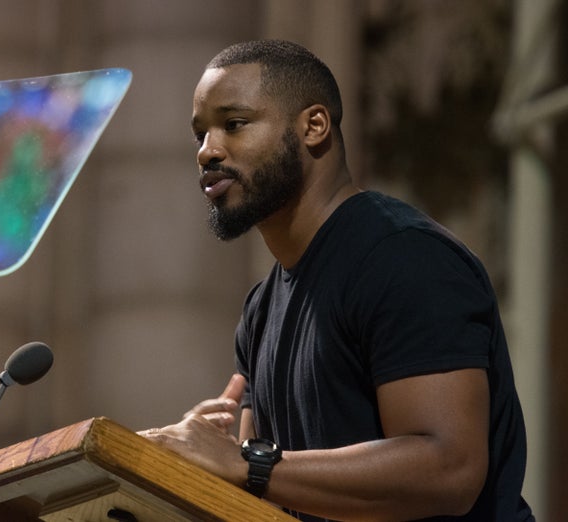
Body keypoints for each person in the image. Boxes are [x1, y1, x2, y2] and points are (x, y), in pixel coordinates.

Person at [141, 39, 534, 522]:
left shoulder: (405, 258)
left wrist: (246, 463)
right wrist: (190, 461)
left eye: (234, 124)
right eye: (200, 134)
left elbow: (449, 469)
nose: (207, 151)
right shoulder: (261, 310)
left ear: (314, 126)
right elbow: (257, 493)